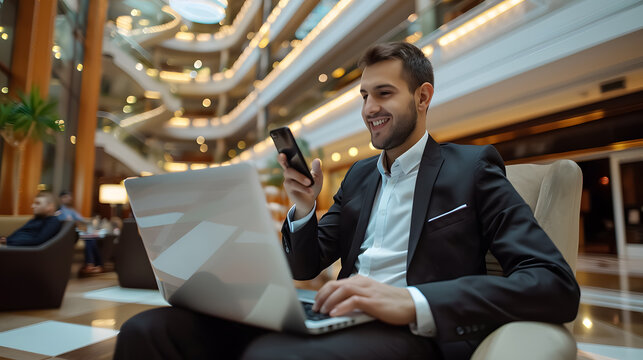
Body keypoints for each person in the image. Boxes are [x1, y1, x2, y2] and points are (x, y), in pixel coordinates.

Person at [114, 42, 580, 359]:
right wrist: (302, 210)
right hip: (331, 316)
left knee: (271, 356)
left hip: (410, 334)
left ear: (423, 96)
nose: (369, 109)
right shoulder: (359, 177)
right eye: (363, 96)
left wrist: (412, 301)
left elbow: (554, 284)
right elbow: (305, 265)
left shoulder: (472, 168)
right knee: (148, 333)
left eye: (384, 93)